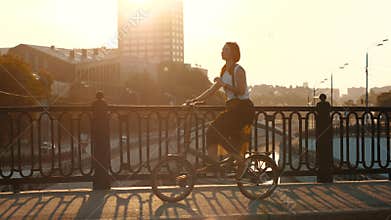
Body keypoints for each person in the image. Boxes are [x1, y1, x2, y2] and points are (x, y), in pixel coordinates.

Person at [188, 42, 255, 161]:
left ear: (233, 53)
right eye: (223, 49)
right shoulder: (224, 70)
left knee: (213, 131)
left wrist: (224, 84)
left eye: (225, 49)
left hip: (242, 110)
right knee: (216, 135)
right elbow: (212, 90)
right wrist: (195, 100)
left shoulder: (238, 70)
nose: (222, 51)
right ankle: (217, 165)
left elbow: (241, 90)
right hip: (233, 110)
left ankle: (235, 160)